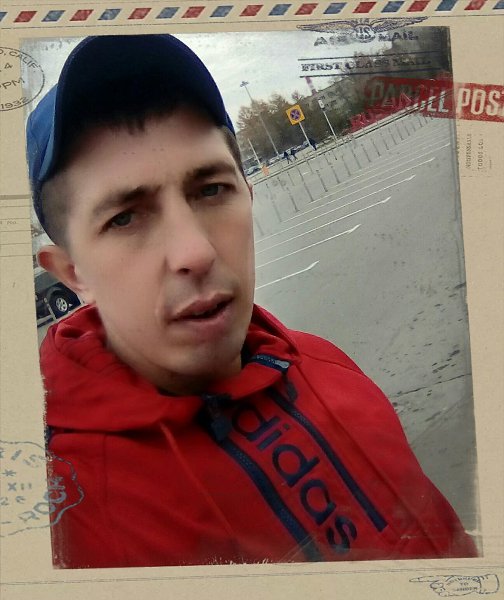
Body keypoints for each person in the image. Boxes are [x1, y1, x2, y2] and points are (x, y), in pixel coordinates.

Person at [26, 34, 477, 569]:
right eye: (124, 218)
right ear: (73, 272)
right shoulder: (64, 527)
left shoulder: (327, 366)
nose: (195, 252)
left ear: (247, 190)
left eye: (211, 190)